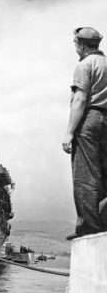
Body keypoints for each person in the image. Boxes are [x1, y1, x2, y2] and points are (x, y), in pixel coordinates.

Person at [63, 27, 107, 240]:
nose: (75, 48)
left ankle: (89, 226)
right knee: (105, 174)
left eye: (76, 44)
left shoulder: (85, 65)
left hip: (90, 120)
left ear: (81, 45)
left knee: (86, 175)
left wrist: (69, 133)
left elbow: (80, 100)